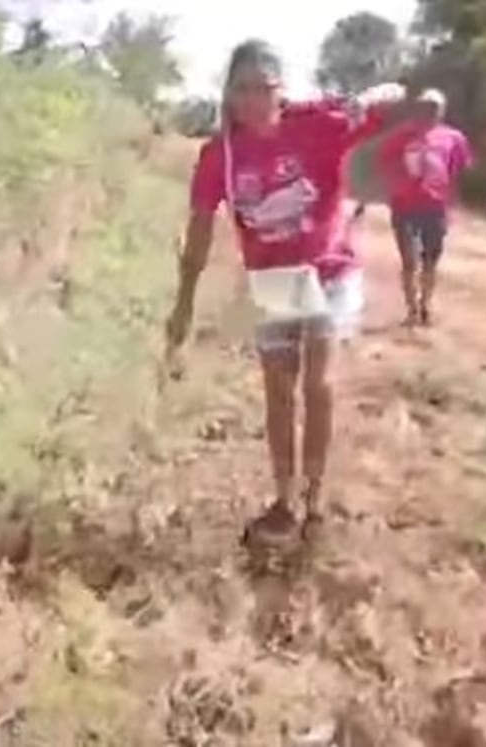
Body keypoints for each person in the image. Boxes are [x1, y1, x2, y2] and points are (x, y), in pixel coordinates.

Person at [164, 40, 405, 544]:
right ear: (228, 94)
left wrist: (372, 97)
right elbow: (201, 231)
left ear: (282, 90)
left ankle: (315, 500)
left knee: (317, 384)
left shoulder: (319, 122)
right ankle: (283, 501)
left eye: (264, 88)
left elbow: (399, 102)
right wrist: (183, 304)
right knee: (278, 394)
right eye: (242, 88)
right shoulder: (220, 156)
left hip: (327, 271)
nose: (253, 99)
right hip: (275, 279)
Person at [377, 88, 474, 326]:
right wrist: (396, 184)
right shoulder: (399, 137)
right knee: (409, 261)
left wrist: (455, 202)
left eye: (435, 107)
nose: (430, 111)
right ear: (418, 108)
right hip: (404, 207)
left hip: (436, 207)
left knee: (431, 260)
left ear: (442, 111)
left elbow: (458, 171)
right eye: (426, 106)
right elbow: (385, 165)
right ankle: (411, 309)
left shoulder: (453, 138)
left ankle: (425, 306)